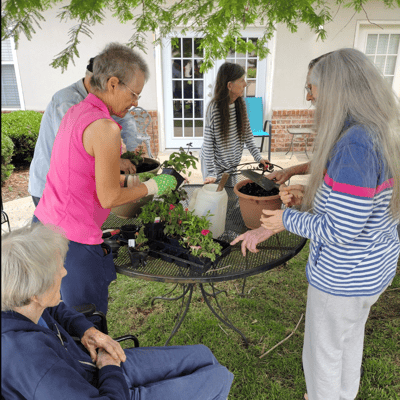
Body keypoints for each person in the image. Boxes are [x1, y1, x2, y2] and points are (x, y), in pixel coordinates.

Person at [233, 48, 400, 400]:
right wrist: (309, 196)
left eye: (312, 88)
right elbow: (356, 204)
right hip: (372, 270)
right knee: (348, 340)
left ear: (337, 89)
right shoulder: (376, 131)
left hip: (344, 277)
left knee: (322, 354)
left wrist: (285, 219)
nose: (309, 97)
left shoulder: (354, 145)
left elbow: (341, 230)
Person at [1, 223, 234, 400]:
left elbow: (55, 310)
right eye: (56, 270)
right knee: (219, 378)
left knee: (202, 354)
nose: (64, 272)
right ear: (34, 292)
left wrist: (87, 330)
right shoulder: (32, 363)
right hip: (105, 387)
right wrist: (110, 370)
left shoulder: (18, 303)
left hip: (96, 365)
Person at [33, 43, 177, 315]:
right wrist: (154, 185)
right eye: (134, 93)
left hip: (44, 227)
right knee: (87, 325)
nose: (136, 102)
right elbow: (109, 197)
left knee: (54, 315)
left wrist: (122, 181)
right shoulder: (105, 127)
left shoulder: (76, 111)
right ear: (113, 84)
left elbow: (76, 170)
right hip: (72, 242)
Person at [29, 56, 142, 208]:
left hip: (77, 186)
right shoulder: (67, 101)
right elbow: (73, 147)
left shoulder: (105, 99)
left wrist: (133, 149)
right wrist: (115, 162)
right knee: (52, 230)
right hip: (50, 187)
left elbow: (125, 120)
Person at [200, 62, 269, 184]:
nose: (245, 84)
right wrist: (211, 173)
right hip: (214, 166)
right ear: (230, 85)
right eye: (242, 80)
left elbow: (247, 135)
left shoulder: (240, 105)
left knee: (231, 199)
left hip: (231, 166)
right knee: (217, 200)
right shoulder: (214, 108)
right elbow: (208, 143)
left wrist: (259, 158)